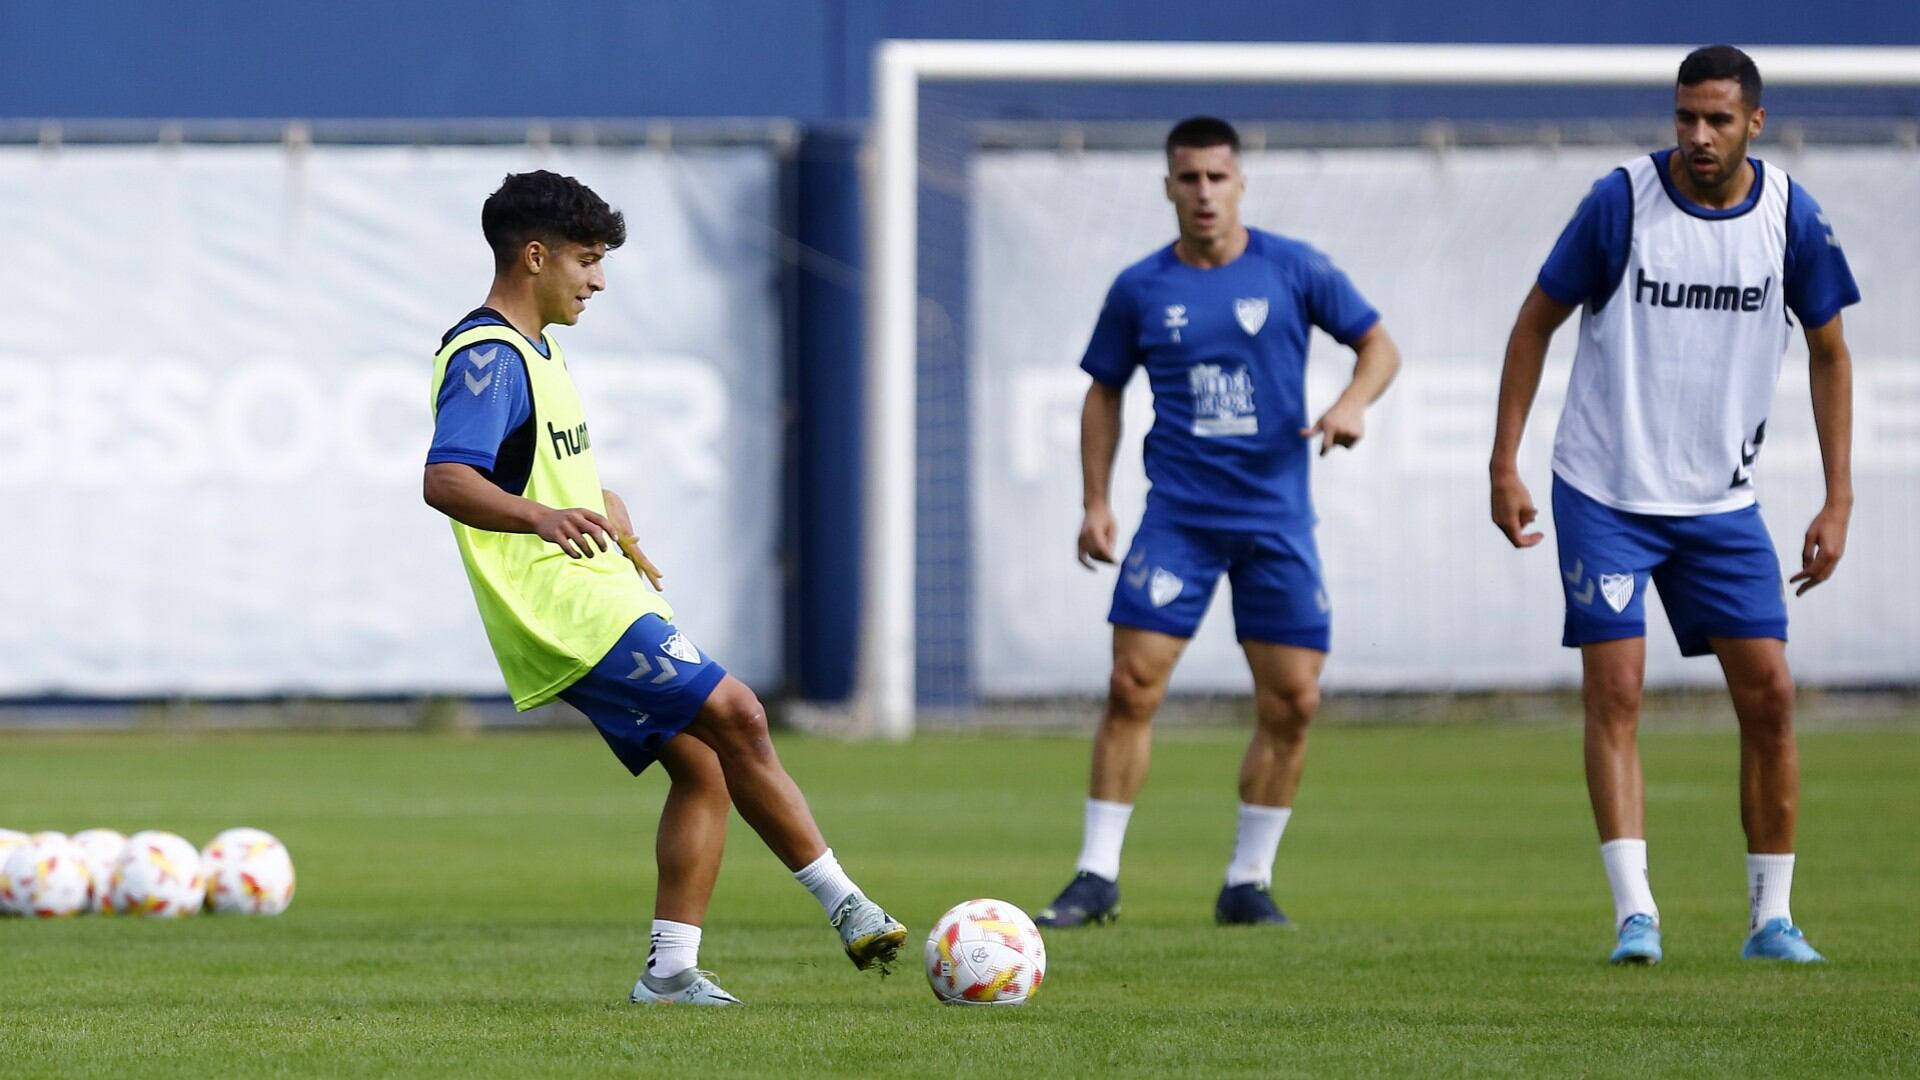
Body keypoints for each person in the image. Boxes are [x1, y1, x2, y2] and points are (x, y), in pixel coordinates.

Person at [422, 170, 905, 1004]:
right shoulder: (490, 358)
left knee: (708, 767)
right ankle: (848, 906)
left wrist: (608, 513)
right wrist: (542, 519)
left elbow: (544, 469)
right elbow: (447, 480)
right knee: (741, 713)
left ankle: (671, 973)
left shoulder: (540, 351)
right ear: (534, 256)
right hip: (566, 604)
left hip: (599, 585)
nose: (598, 280)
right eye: (587, 259)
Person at [1489, 45, 1859, 965]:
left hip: (1720, 504)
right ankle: (1635, 914)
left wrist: (1836, 496)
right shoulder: (1620, 203)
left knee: (1770, 693)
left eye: (1718, 120)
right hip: (1606, 490)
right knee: (1616, 691)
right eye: (1685, 117)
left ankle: (1771, 918)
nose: (1697, 136)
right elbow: (1534, 323)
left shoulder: (1790, 217)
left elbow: (1830, 353)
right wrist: (1504, 462)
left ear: (1754, 124)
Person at [1036, 117, 1402, 929]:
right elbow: (1104, 391)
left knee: (1294, 703)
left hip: (1277, 522)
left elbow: (1379, 346)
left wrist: (1349, 402)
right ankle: (1096, 876)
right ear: (1168, 185)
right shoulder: (1141, 287)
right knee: (1131, 685)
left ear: (1241, 183)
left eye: (1217, 177)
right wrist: (1096, 502)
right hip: (1179, 521)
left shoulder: (1294, 268)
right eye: (1188, 178)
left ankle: (1248, 881)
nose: (1204, 192)